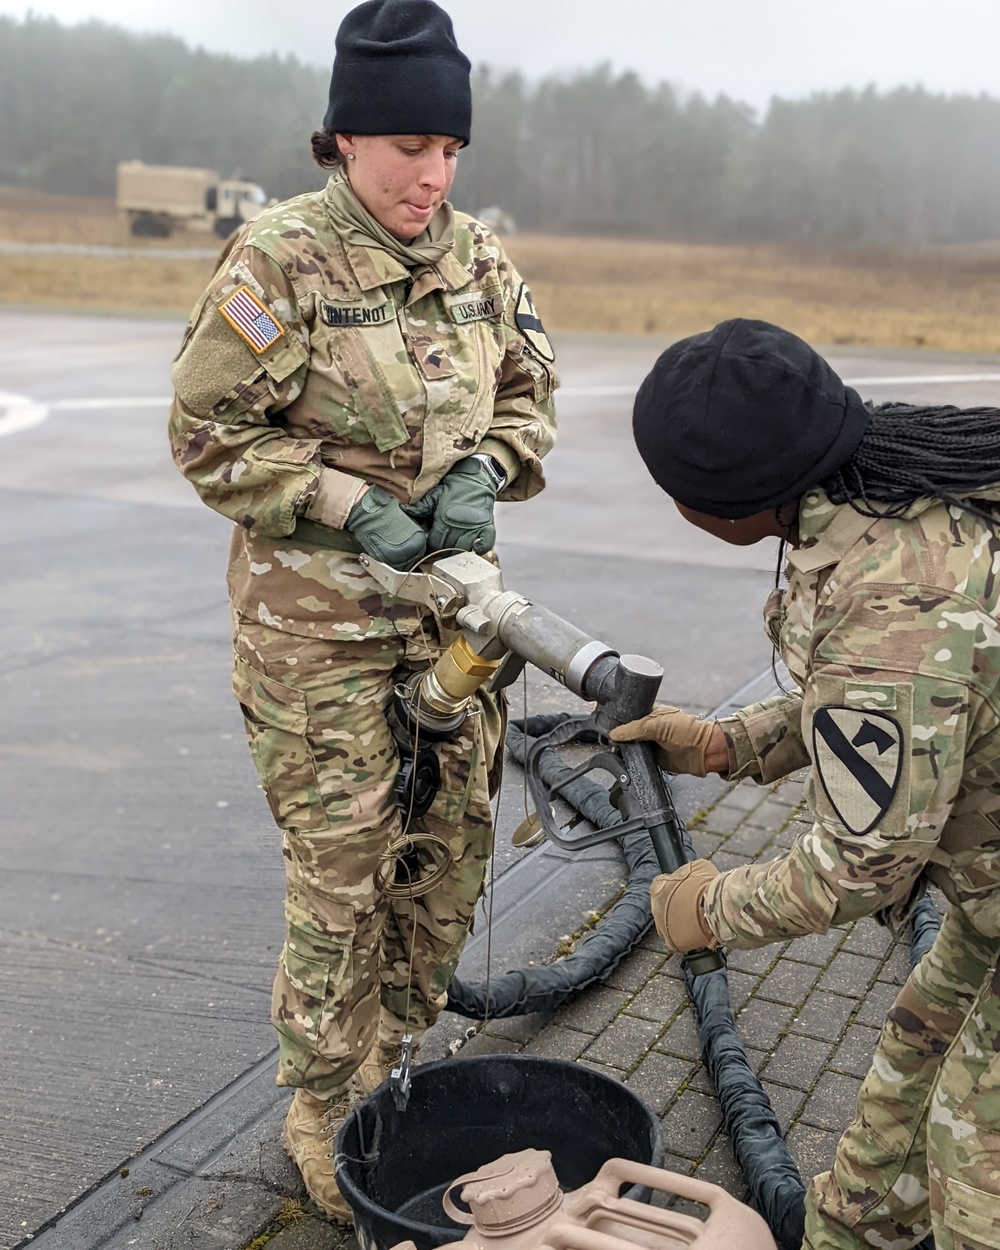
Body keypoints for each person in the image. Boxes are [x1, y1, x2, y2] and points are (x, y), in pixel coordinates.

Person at [167, 0, 557, 1222]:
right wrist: (341, 495)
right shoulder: (279, 260)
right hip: (318, 632)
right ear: (342, 138)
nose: (431, 177)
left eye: (450, 153)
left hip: (450, 622)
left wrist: (484, 470)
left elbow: (533, 393)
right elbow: (206, 433)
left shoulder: (478, 259)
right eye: (407, 152)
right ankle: (324, 1099)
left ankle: (398, 1050)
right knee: (343, 869)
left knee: (448, 850)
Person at [611, 318, 1000, 1250]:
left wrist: (708, 909)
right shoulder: (871, 490)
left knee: (974, 1169)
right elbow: (911, 703)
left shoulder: (898, 595)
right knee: (913, 1067)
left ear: (733, 498)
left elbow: (858, 866)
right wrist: (724, 745)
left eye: (676, 491)